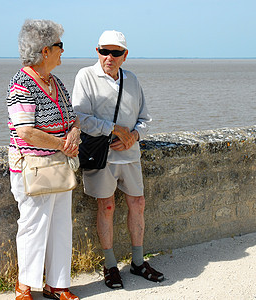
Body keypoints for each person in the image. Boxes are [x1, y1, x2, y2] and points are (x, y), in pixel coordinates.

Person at [72, 30, 164, 289]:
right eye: (104, 51)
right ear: (97, 51)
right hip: (102, 156)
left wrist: (132, 135)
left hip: (130, 155)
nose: (109, 57)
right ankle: (110, 265)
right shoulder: (85, 76)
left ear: (125, 55)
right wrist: (114, 129)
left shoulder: (132, 80)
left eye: (115, 52)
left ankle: (137, 261)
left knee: (138, 203)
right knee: (107, 206)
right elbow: (79, 117)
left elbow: (145, 120)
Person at [7, 19, 81, 300]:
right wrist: (63, 144)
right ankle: (24, 285)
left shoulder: (56, 83)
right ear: (45, 50)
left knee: (61, 225)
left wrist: (74, 132)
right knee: (33, 225)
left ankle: (57, 284)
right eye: (60, 46)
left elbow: (72, 117)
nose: (64, 51)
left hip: (58, 167)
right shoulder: (22, 83)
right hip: (33, 167)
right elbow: (26, 131)